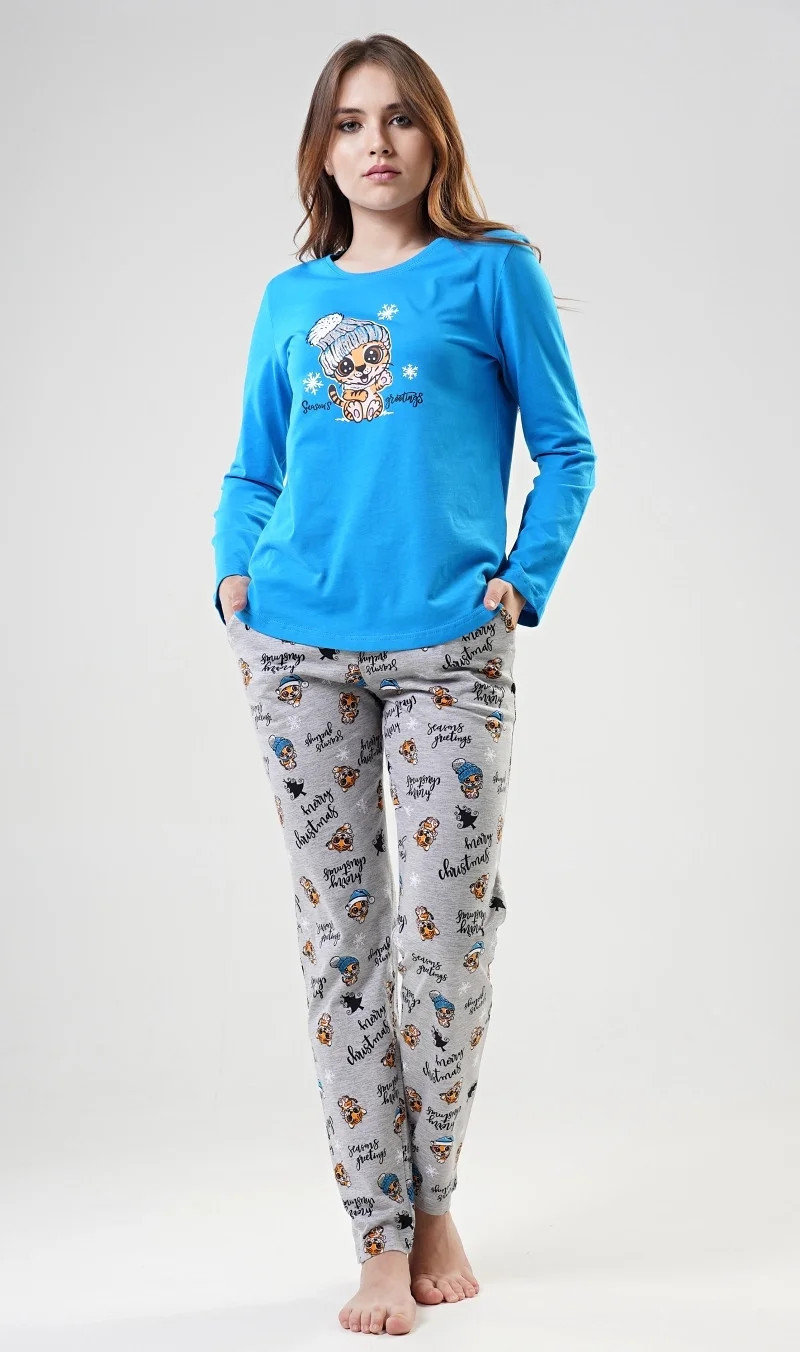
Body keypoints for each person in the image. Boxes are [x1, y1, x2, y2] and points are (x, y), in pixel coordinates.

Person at [211, 32, 596, 1338]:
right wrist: (232, 572)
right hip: (297, 651)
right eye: (350, 122)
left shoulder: (494, 272)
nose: (376, 142)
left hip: (449, 654)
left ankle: (438, 1201)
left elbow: (567, 448)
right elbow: (253, 468)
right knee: (341, 948)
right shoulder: (288, 298)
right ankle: (379, 1236)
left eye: (400, 118)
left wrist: (523, 579)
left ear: (436, 137)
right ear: (322, 152)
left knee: (443, 939)